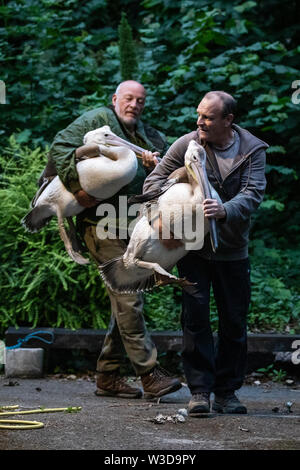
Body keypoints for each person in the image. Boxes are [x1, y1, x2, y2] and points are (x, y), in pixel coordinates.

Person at [43, 80, 182, 399]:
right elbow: (61, 147)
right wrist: (76, 187)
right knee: (130, 296)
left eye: (141, 101)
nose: (135, 105)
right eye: (129, 99)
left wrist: (155, 168)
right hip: (100, 224)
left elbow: (165, 180)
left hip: (134, 227)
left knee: (128, 302)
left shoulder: (150, 137)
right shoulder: (96, 121)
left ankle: (107, 375)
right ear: (115, 99)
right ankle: (150, 374)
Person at [143, 91, 268, 414]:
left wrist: (225, 209)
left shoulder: (252, 150)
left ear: (229, 120)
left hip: (232, 250)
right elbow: (152, 184)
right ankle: (199, 391)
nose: (200, 122)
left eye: (209, 117)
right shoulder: (188, 144)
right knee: (195, 320)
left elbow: (254, 194)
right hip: (193, 249)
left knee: (234, 322)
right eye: (199, 115)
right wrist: (180, 199)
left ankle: (227, 392)